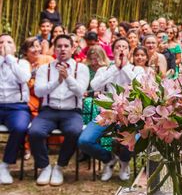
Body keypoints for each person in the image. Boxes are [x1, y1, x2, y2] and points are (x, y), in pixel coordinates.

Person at [78, 38, 143, 181]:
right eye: (118, 47)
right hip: (107, 114)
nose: (121, 49)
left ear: (129, 51)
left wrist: (124, 67)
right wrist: (115, 68)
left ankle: (124, 162)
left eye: (124, 47)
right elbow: (95, 86)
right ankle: (108, 160)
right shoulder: (105, 69)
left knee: (135, 140)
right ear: (113, 51)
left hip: (130, 115)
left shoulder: (136, 69)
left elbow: (140, 86)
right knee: (84, 140)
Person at [31, 35, 90, 186]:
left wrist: (68, 78)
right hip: (48, 111)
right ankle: (44, 167)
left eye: (66, 46)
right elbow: (38, 92)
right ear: (54, 48)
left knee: (74, 131)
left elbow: (80, 91)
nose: (62, 49)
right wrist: (57, 81)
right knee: (35, 132)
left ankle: (59, 167)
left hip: (71, 112)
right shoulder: (45, 69)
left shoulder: (81, 68)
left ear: (72, 49)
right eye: (59, 46)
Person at [0, 34, 31, 184]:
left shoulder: (22, 63)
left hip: (17, 107)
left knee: (20, 127)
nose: (4, 45)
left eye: (8, 42)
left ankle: (5, 165)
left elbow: (24, 78)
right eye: (1, 42)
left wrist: (10, 60)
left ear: (14, 47)